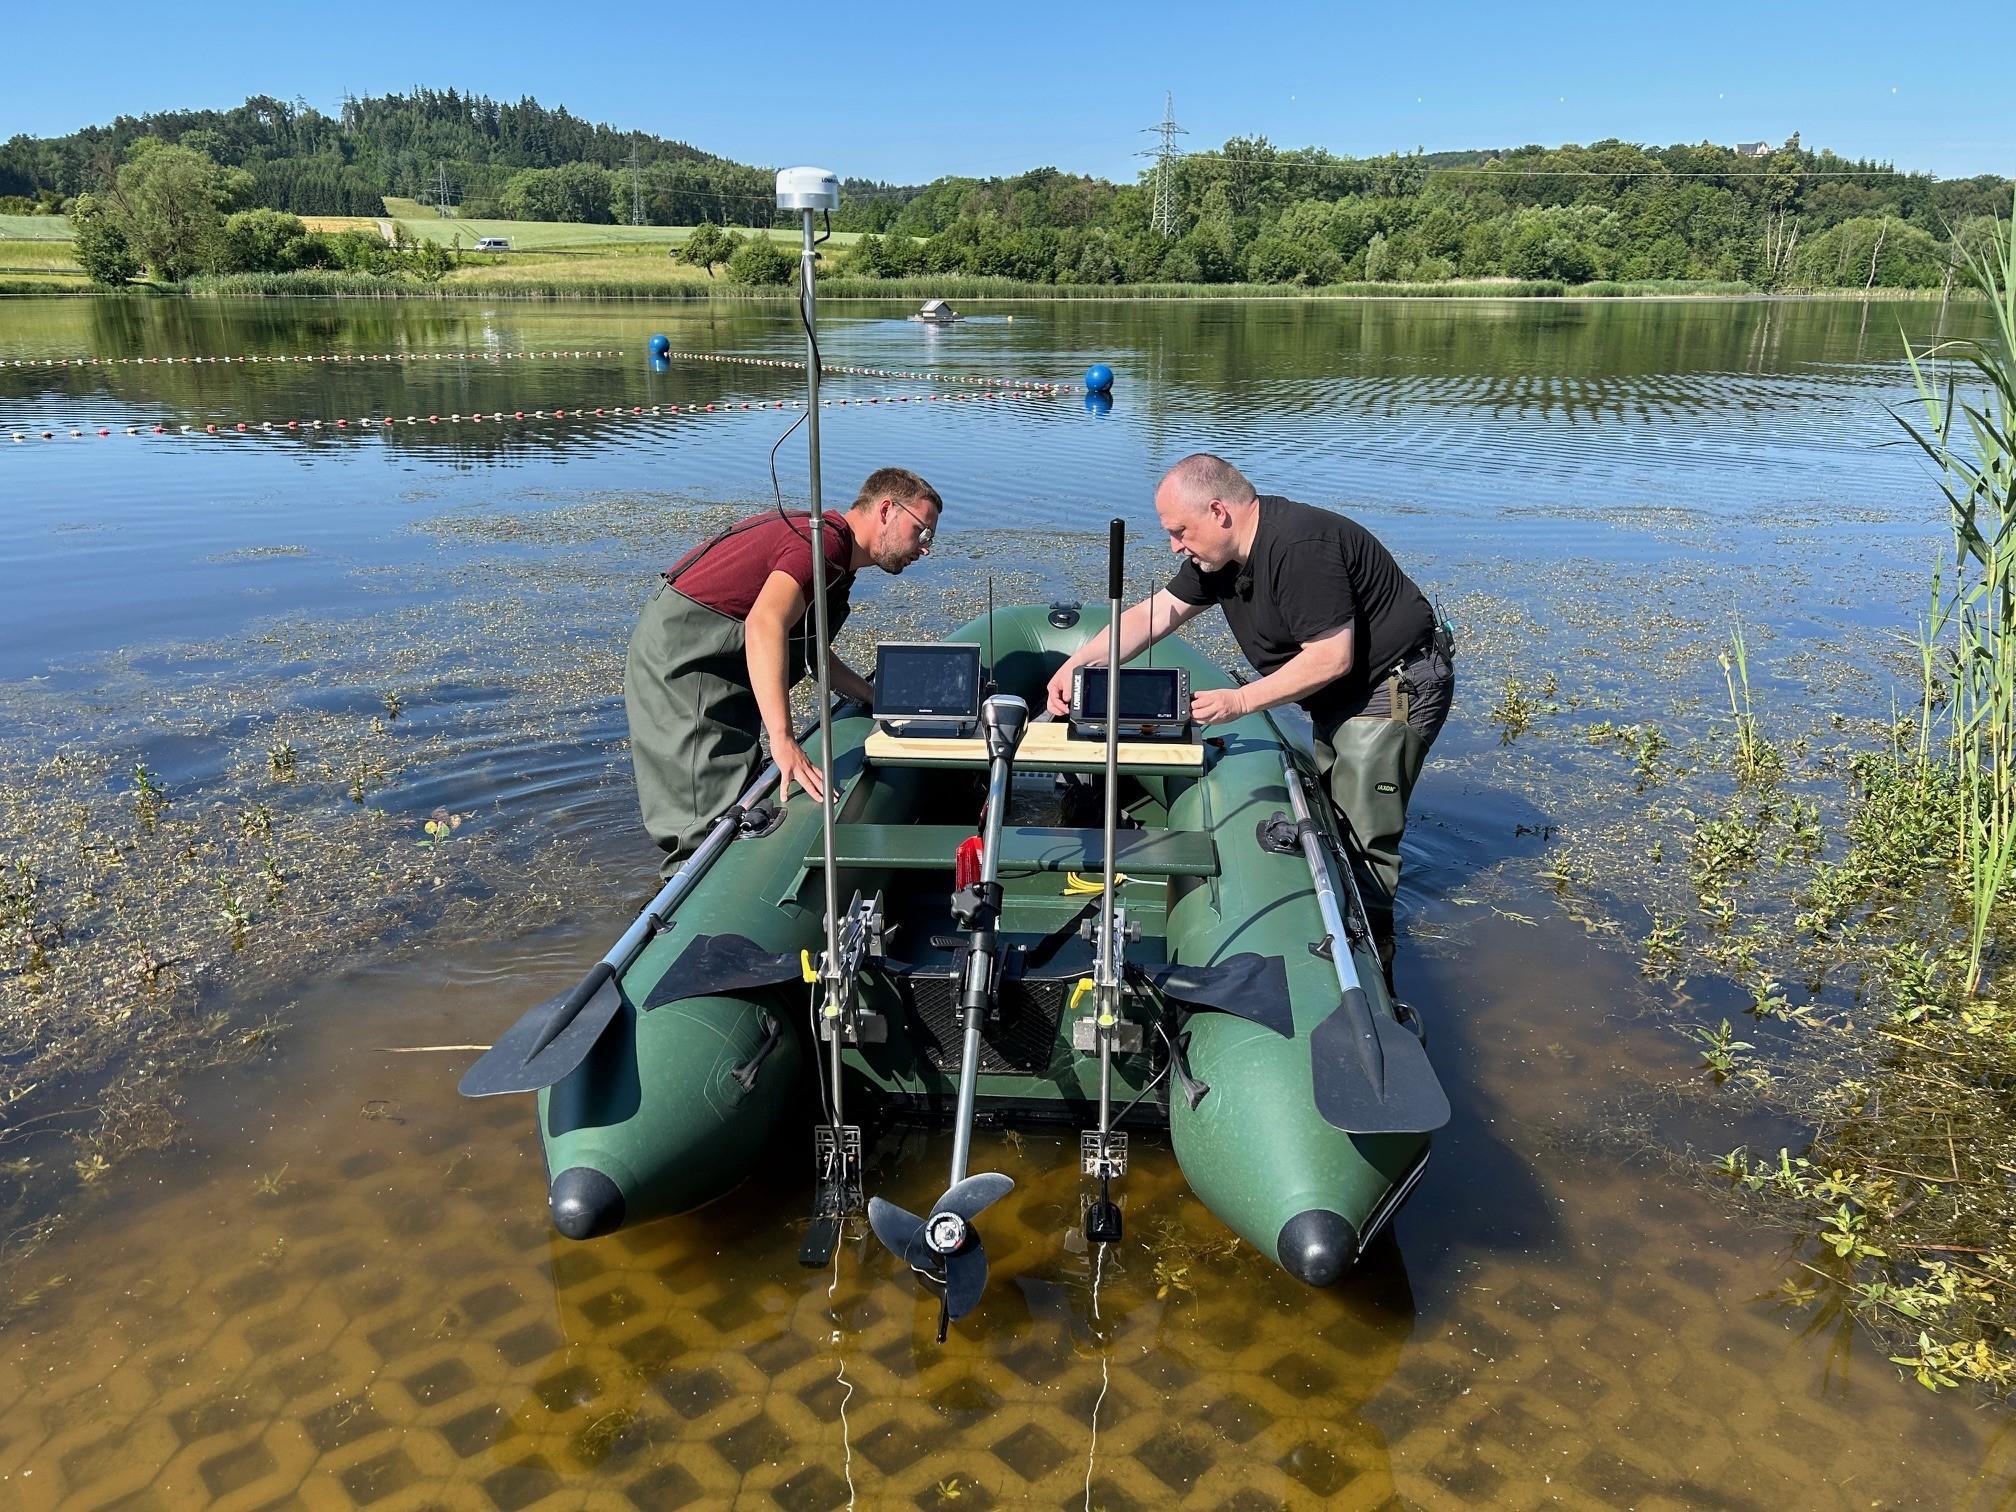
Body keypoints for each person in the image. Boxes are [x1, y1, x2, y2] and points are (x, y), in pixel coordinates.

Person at [1045, 453, 1453, 981]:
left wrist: (1239, 701)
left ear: (1219, 511)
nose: (1175, 545)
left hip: (1389, 688)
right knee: (1337, 819)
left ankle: (1372, 968)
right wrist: (1077, 665)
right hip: (1339, 696)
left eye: (1179, 531)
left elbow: (1332, 657)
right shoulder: (1221, 558)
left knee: (1362, 841)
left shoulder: (1299, 548)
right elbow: (1158, 612)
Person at [626, 467, 943, 877]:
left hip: (721, 663)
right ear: (886, 510)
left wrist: (871, 696)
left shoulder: (839, 558)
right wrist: (784, 740)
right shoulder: (823, 544)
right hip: (687, 664)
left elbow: (811, 651)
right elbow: (766, 624)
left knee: (738, 788)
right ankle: (683, 917)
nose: (924, 549)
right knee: (703, 820)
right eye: (922, 533)